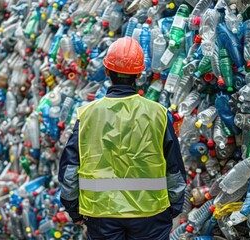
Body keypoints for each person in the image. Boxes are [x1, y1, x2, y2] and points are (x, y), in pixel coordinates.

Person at [58, 37, 186, 240]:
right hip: (151, 213)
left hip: (101, 213)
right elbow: (175, 168)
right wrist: (174, 206)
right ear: (138, 74)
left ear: (107, 71)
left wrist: (73, 209)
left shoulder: (87, 115)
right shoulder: (158, 114)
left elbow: (70, 169)